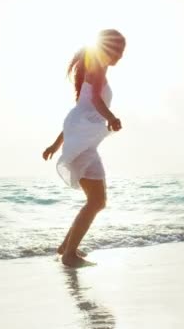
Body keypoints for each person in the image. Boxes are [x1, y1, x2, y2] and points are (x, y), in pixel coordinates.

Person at [42, 29, 126, 267]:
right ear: (108, 48)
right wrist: (111, 117)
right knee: (96, 201)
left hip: (83, 144)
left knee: (96, 201)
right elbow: (96, 102)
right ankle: (69, 255)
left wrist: (55, 145)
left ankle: (66, 248)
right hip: (84, 147)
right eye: (119, 49)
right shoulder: (97, 68)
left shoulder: (95, 69)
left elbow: (77, 118)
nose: (121, 55)